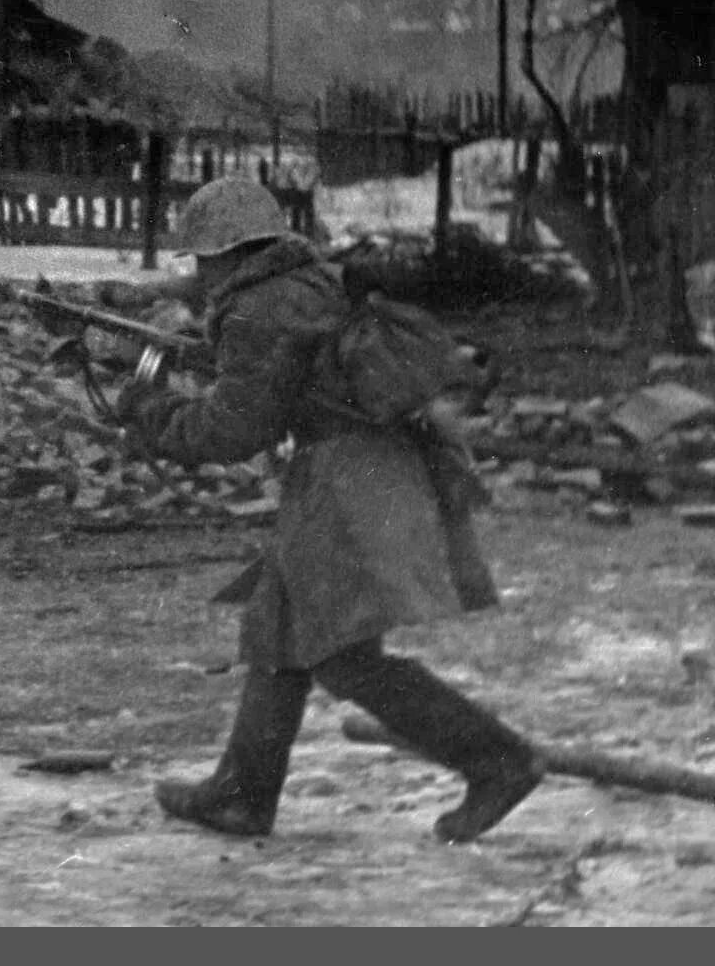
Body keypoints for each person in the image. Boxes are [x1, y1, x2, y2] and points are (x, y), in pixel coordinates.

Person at [118, 175, 540, 843]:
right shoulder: (304, 278)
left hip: (352, 480)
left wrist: (149, 409)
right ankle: (241, 793)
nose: (198, 271)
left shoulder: (256, 309)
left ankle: (498, 761)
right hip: (360, 468)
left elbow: (235, 428)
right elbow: (282, 378)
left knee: (343, 656)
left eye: (202, 258)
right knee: (279, 627)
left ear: (225, 254)